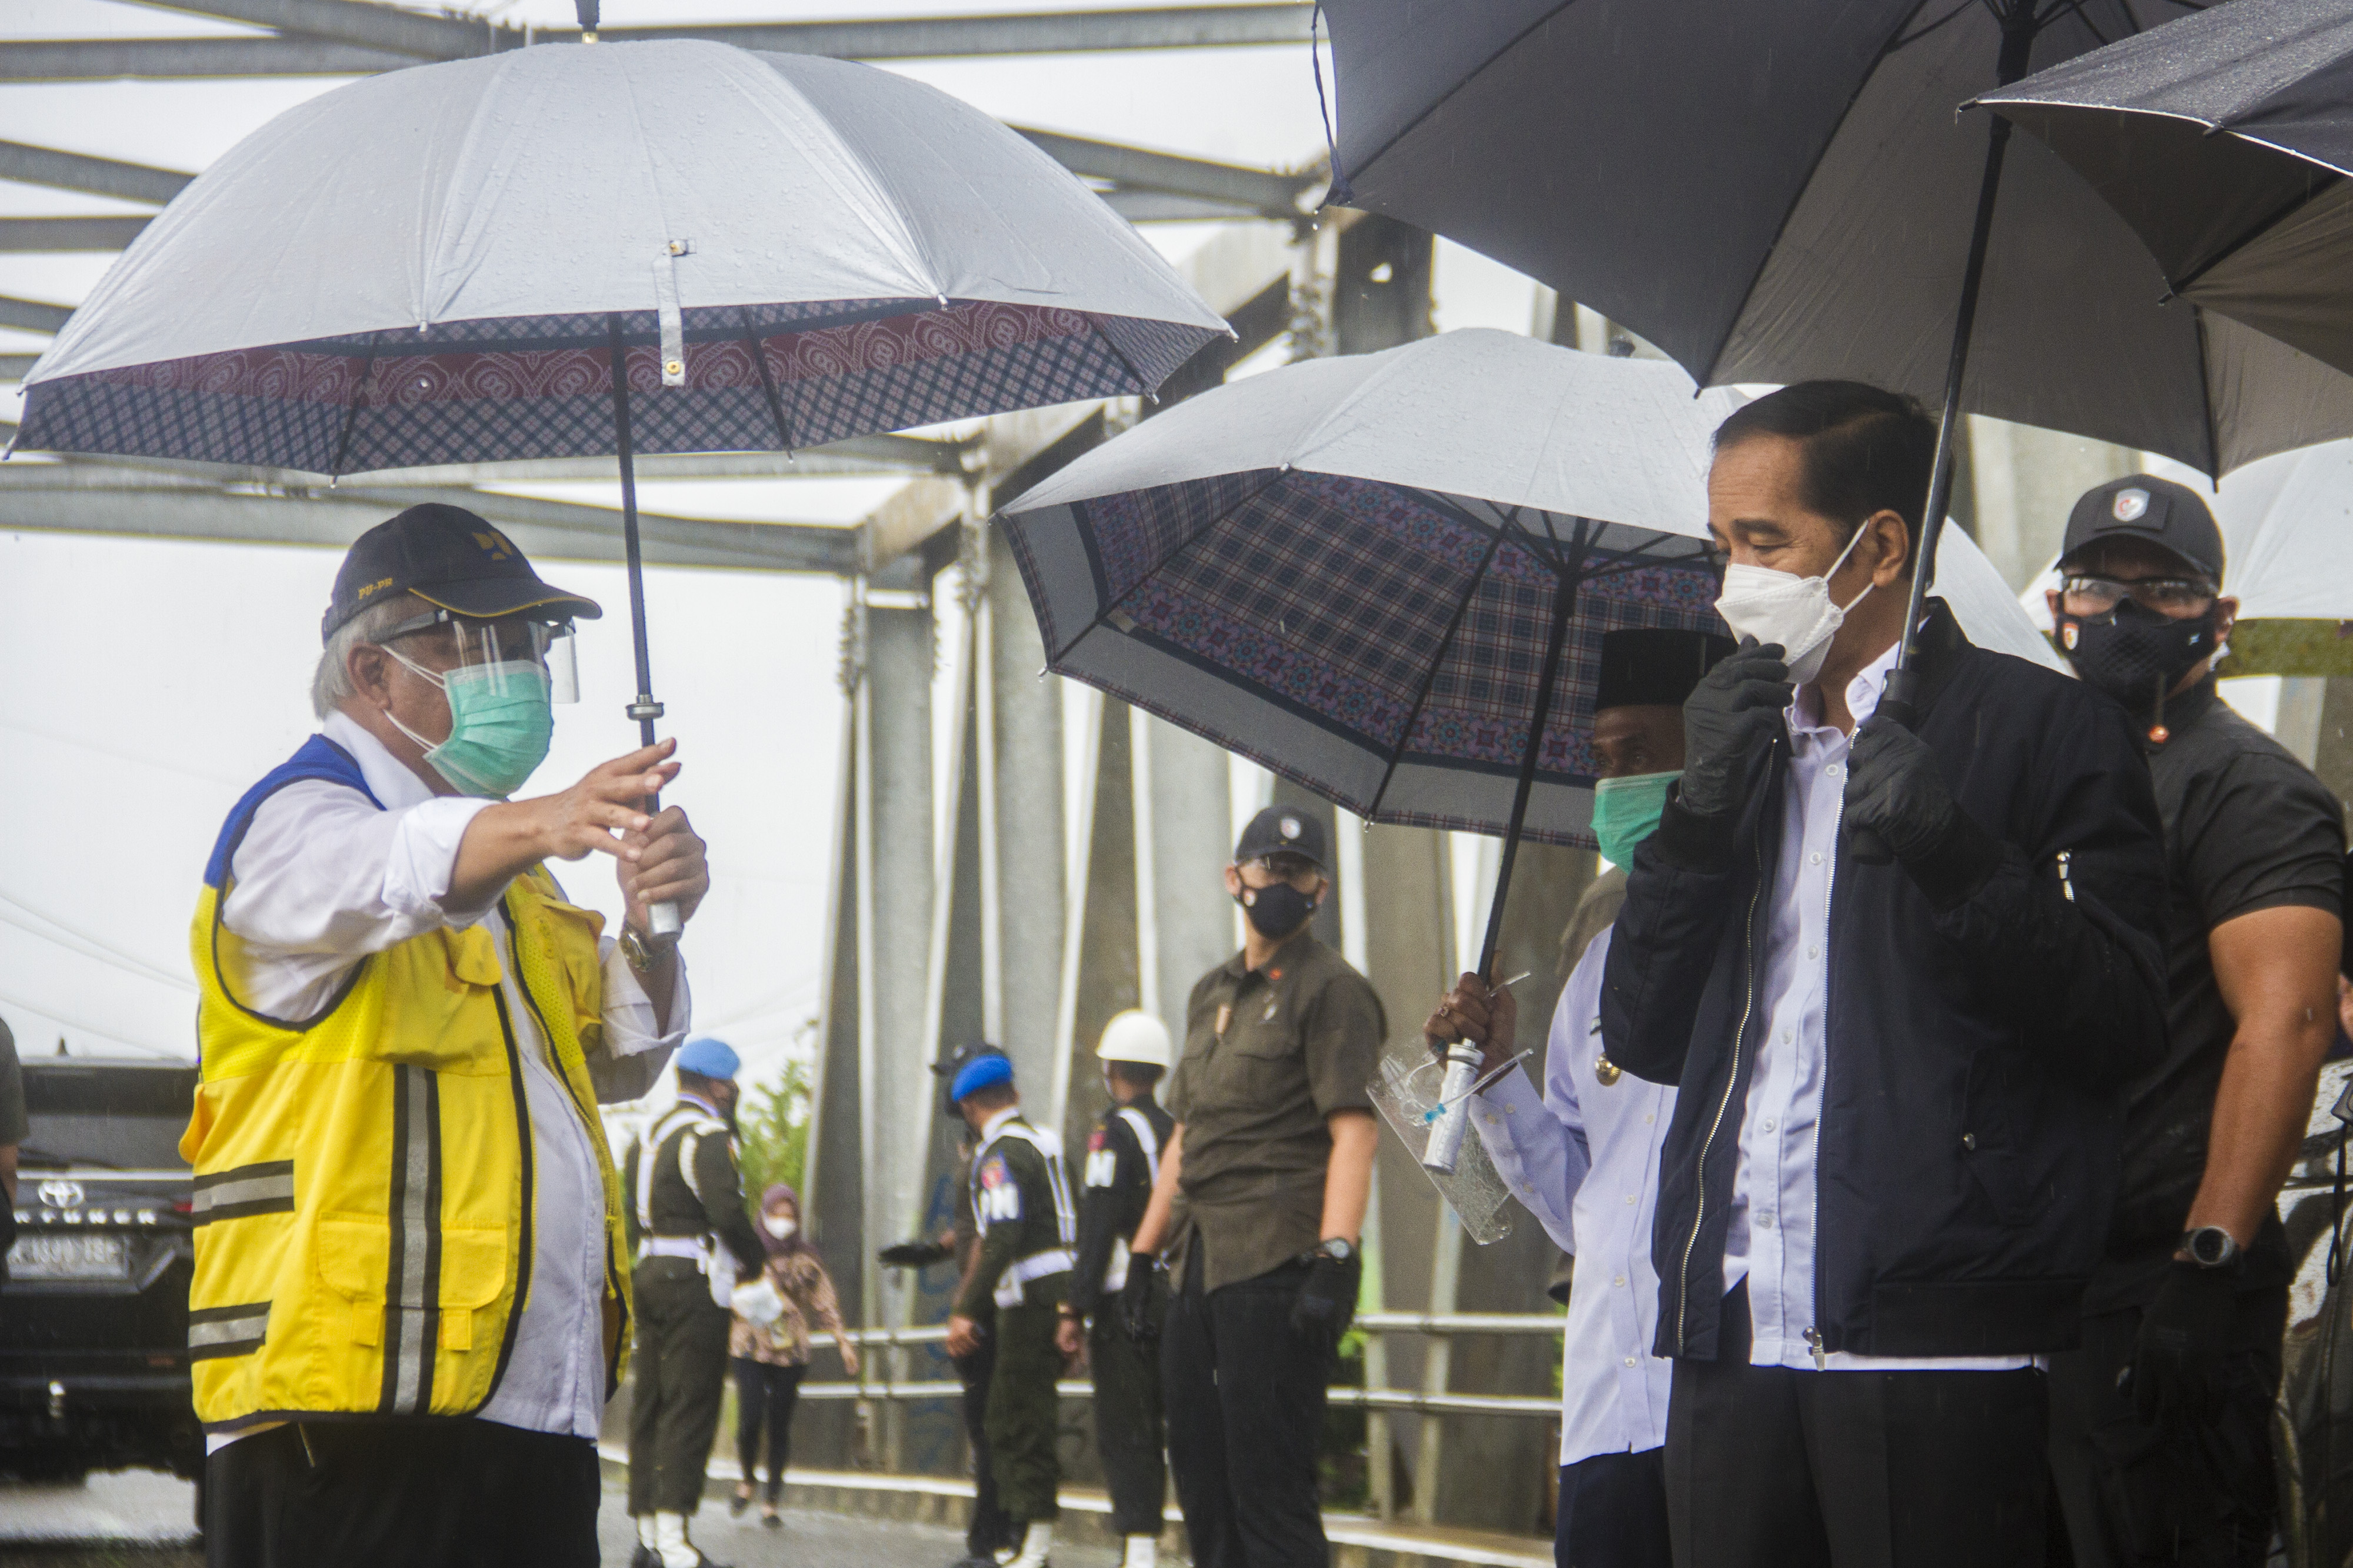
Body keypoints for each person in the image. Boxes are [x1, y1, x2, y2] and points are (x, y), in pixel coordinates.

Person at [1595, 382, 2171, 1567]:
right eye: (1721, 546)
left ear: (1878, 545)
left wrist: (1954, 852)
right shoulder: (1739, 752)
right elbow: (1641, 1031)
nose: (1732, 581)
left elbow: (2119, 1021)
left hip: (1932, 1335)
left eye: (1764, 543)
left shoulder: (2044, 732)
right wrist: (1696, 817)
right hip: (1733, 1325)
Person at [186, 503, 709, 1568]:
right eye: (477, 645)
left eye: (529, 647)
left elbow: (613, 1059)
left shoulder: (518, 880)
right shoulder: (291, 826)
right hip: (347, 1417)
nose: (513, 672)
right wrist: (551, 818)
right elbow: (397, 869)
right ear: (372, 677)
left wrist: (655, 930)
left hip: (524, 1413)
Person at [2039, 476, 2345, 1568]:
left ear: (2222, 620)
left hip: (2164, 1285)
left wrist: (2206, 1262)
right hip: (2035, 1285)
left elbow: (2291, 1018)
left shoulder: (2247, 790)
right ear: (2055, 607)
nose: (2125, 616)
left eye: (2164, 589)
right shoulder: (2047, 771)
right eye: (2097, 586)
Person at [1425, 626, 1731, 1568]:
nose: (1614, 788)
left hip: (1724, 1405)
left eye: (1637, 755)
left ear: (1709, 758)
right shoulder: (1597, 965)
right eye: (1599, 762)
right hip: (1608, 1404)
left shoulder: (1768, 944)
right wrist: (1496, 1077)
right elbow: (1581, 1209)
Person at [1126, 806, 1385, 1568]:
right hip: (1199, 1261)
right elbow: (1187, 1133)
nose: (1283, 881)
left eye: (1298, 871)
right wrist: (1143, 1256)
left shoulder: (1333, 989)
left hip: (1276, 1260)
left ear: (1321, 889)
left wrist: (1337, 1256)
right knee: (1204, 1487)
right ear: (1234, 878)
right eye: (1269, 867)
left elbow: (1354, 1131)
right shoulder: (1212, 993)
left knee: (1271, 1492)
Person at [626, 1037, 766, 1568]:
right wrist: (756, 1263)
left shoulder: (647, 1135)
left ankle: (648, 1535)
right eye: (729, 1083)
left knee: (652, 1402)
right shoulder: (709, 1136)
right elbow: (727, 1214)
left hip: (651, 1269)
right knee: (691, 1403)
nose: (733, 1091)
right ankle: (677, 1542)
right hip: (695, 1278)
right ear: (715, 1085)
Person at [944, 1047, 1078, 1568]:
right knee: (1014, 1418)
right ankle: (1023, 1542)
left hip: (1026, 1303)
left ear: (972, 1107)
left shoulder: (998, 1155)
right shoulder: (1042, 1143)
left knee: (1018, 1423)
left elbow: (1001, 1237)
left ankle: (1035, 1547)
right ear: (1014, 1096)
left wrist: (967, 1309)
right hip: (1054, 1296)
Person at [1056, 1010, 1179, 1568]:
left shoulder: (1111, 1133)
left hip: (1123, 1295)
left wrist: (1073, 1308)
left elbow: (1099, 1223)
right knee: (1179, 1417)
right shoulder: (1175, 1130)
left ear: (1111, 1069)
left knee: (1127, 1422)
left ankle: (1140, 1550)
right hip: (1174, 1290)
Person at [727, 1181, 858, 1528]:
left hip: (791, 1348)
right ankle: (747, 1479)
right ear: (765, 1214)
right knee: (750, 1416)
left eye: (790, 1216)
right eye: (776, 1215)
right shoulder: (748, 1250)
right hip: (750, 1344)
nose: (783, 1222)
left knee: (780, 1423)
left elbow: (824, 1300)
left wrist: (843, 1341)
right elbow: (726, 1286)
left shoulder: (806, 1257)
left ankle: (771, 1500)